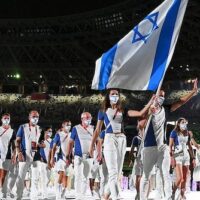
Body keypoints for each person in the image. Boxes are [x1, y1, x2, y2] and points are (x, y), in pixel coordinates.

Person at [89, 89, 154, 200]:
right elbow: (97, 130)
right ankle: (116, 196)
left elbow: (140, 113)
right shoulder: (103, 111)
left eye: (117, 94)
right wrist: (92, 146)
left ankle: (105, 196)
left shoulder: (123, 110)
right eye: (112, 94)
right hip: (110, 138)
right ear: (108, 96)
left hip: (122, 139)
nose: (115, 96)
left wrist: (150, 102)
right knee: (113, 172)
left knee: (118, 173)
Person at [66, 112, 94, 200]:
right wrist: (68, 154)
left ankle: (83, 195)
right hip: (78, 156)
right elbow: (70, 142)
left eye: (90, 118)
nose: (88, 120)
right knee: (78, 176)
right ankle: (78, 195)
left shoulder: (93, 128)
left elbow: (97, 142)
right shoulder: (76, 128)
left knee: (86, 177)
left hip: (89, 157)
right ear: (82, 119)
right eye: (87, 118)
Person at [15, 110, 42, 200]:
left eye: (37, 117)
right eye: (33, 116)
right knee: (21, 176)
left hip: (35, 155)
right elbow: (17, 141)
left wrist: (40, 145)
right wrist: (18, 152)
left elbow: (37, 142)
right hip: (24, 154)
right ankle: (18, 196)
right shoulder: (23, 127)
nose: (35, 118)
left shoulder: (39, 128)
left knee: (35, 178)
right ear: (29, 117)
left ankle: (34, 197)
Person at [169, 118, 196, 200]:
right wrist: (172, 158)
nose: (184, 124)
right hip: (178, 154)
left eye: (185, 122)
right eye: (182, 122)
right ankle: (173, 193)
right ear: (178, 124)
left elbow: (190, 147)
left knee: (185, 177)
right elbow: (170, 146)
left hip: (186, 156)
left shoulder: (187, 133)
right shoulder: (174, 132)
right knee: (180, 178)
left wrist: (193, 158)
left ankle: (181, 195)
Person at [51, 120, 71, 200]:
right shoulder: (58, 134)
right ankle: (58, 195)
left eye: (70, 125)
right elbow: (54, 147)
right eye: (67, 125)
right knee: (61, 175)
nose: (69, 126)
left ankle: (63, 193)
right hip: (60, 158)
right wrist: (52, 158)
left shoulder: (70, 134)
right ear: (63, 125)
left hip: (68, 159)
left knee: (66, 178)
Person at [0, 113, 15, 198]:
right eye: (5, 118)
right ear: (1, 119)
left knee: (4, 175)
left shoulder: (12, 131)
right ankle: (2, 192)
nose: (6, 120)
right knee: (1, 174)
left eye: (8, 118)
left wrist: (14, 155)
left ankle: (3, 191)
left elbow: (13, 144)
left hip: (7, 155)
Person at [129, 119, 145, 200]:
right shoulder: (136, 138)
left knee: (143, 177)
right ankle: (138, 193)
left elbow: (131, 151)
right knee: (139, 176)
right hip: (140, 158)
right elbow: (131, 150)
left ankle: (141, 193)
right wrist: (131, 160)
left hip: (146, 158)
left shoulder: (147, 137)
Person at [39, 126, 53, 199]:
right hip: (42, 162)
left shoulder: (52, 141)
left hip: (49, 163)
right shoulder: (40, 141)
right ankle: (45, 195)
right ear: (45, 132)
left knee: (48, 178)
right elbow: (36, 150)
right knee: (44, 178)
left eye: (51, 131)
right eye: (49, 131)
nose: (50, 132)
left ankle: (43, 191)